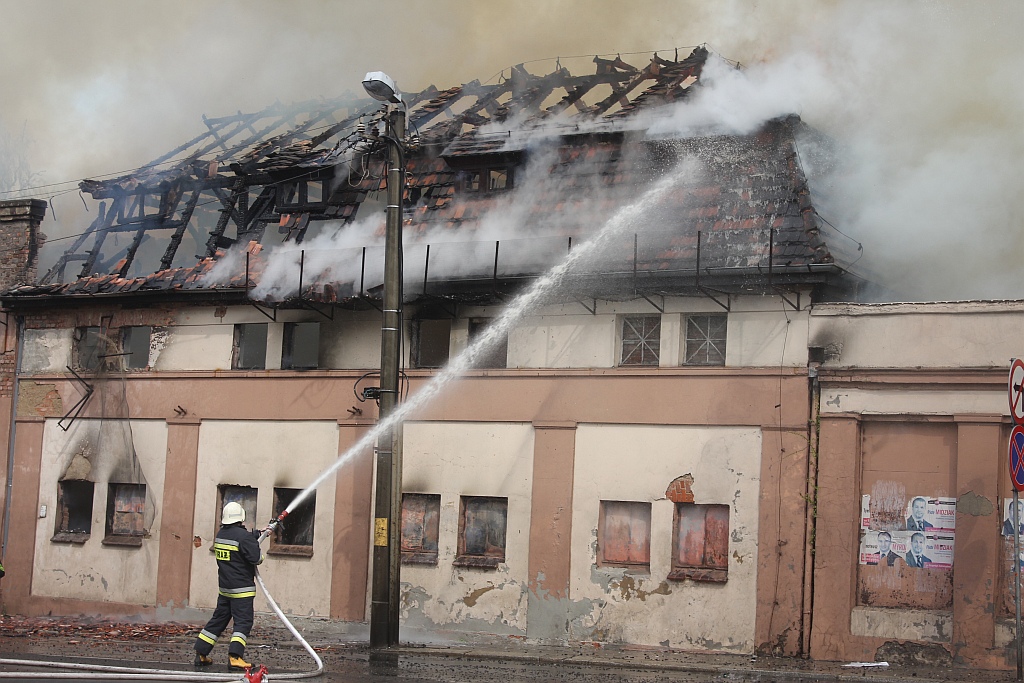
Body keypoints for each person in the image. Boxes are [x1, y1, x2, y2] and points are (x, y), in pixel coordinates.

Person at [194, 502, 263, 670]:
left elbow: (237, 548)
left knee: (219, 620)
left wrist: (251, 538)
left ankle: (201, 653)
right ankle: (235, 656)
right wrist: (252, 541)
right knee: (243, 623)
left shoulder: (221, 535)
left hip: (225, 589)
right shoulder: (243, 537)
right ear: (241, 518)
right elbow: (257, 558)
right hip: (242, 591)